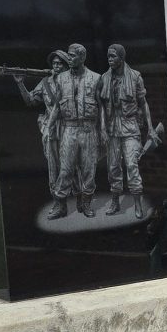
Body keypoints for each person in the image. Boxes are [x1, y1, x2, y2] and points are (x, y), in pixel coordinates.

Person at [98, 44, 158, 219]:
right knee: (113, 167)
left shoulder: (135, 76)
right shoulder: (104, 78)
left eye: (113, 56)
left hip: (130, 126)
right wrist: (102, 127)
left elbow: (143, 103)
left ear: (121, 57)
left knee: (132, 165)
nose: (110, 59)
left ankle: (137, 203)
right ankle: (115, 201)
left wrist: (151, 128)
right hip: (112, 128)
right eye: (108, 56)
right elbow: (102, 106)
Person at [51, 43, 102, 219]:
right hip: (69, 129)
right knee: (65, 169)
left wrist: (103, 130)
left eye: (72, 55)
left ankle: (86, 203)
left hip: (89, 130)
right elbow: (57, 106)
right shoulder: (61, 78)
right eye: (69, 55)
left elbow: (102, 108)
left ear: (82, 57)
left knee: (89, 169)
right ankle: (60, 205)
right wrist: (50, 126)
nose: (69, 58)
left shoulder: (96, 78)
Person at [14, 50, 70, 212]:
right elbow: (31, 101)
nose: (57, 66)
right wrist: (20, 83)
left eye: (60, 63)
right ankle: (59, 203)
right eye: (54, 63)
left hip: (71, 129)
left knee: (72, 166)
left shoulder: (73, 83)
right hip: (51, 130)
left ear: (67, 66)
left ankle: (80, 199)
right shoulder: (45, 82)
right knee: (53, 167)